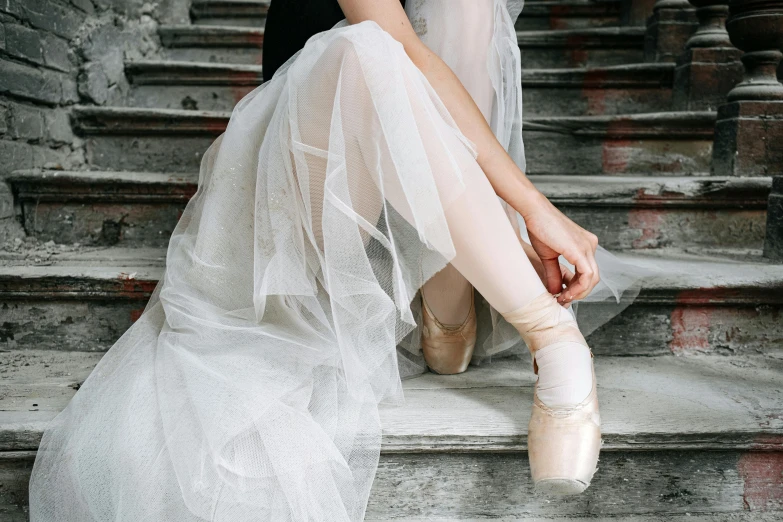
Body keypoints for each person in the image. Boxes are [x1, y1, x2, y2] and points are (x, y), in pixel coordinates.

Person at [29, 0, 652, 519]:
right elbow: (409, 52)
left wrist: (518, 214)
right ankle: (551, 332)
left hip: (412, 215)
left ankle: (452, 295)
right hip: (305, 180)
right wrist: (535, 207)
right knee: (363, 49)